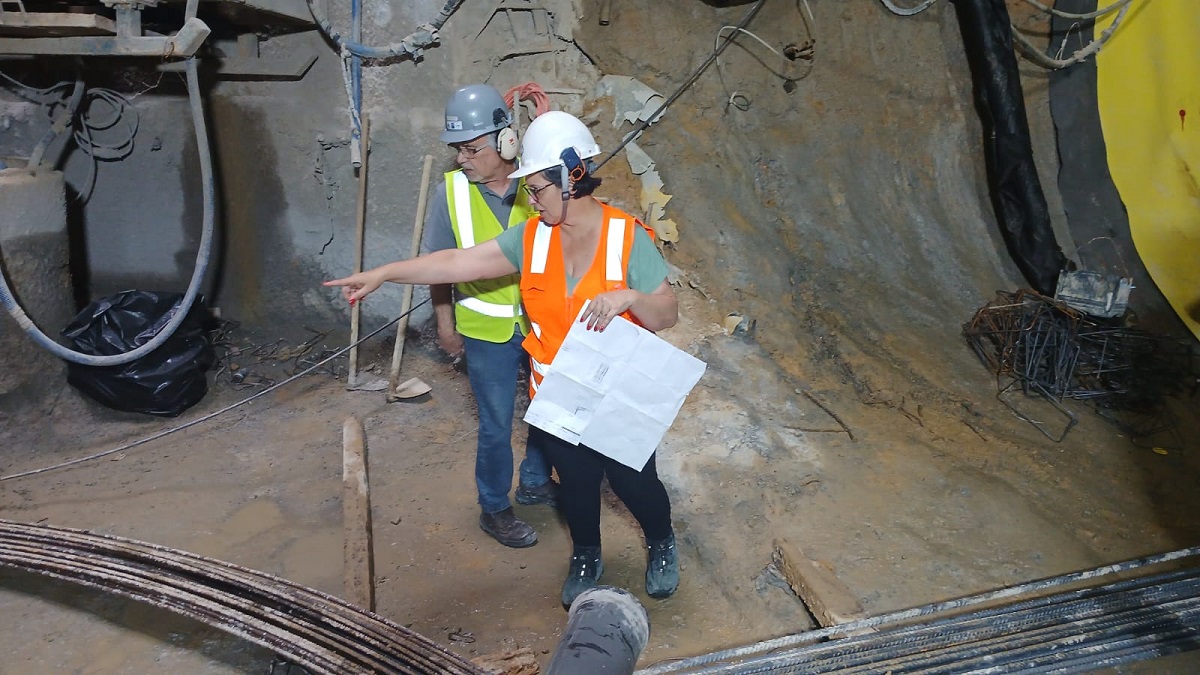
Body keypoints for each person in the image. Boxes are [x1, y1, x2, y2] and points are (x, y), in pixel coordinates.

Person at [326, 110, 681, 607]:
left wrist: (630, 298)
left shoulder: (627, 237)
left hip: (616, 386)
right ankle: (586, 553)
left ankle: (662, 541)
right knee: (575, 484)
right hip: (558, 387)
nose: (529, 200)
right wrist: (384, 273)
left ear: (572, 177)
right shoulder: (532, 236)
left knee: (632, 479)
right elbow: (455, 261)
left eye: (536, 189)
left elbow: (666, 314)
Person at [423, 84, 558, 549]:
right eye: (457, 149)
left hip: (543, 323)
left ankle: (536, 481)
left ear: (506, 141)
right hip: (485, 332)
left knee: (548, 410)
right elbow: (438, 265)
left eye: (471, 148)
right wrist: (445, 322)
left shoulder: (538, 184)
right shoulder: (451, 194)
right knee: (497, 423)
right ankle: (495, 508)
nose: (462, 158)